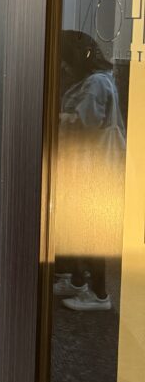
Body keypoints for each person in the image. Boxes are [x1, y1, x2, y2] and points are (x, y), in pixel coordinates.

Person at [52, 30, 126, 312]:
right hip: (88, 164)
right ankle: (78, 281)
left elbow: (86, 124)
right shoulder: (95, 80)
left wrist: (53, 118)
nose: (63, 67)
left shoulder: (96, 83)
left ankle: (99, 294)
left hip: (95, 167)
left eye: (65, 61)